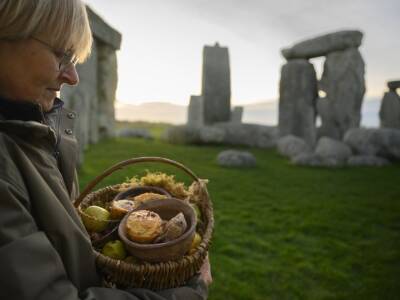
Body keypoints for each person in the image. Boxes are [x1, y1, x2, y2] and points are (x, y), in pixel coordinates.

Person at [0, 0, 212, 299]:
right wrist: (188, 293)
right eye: (61, 55)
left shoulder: (36, 134)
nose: (72, 77)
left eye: (74, 59)